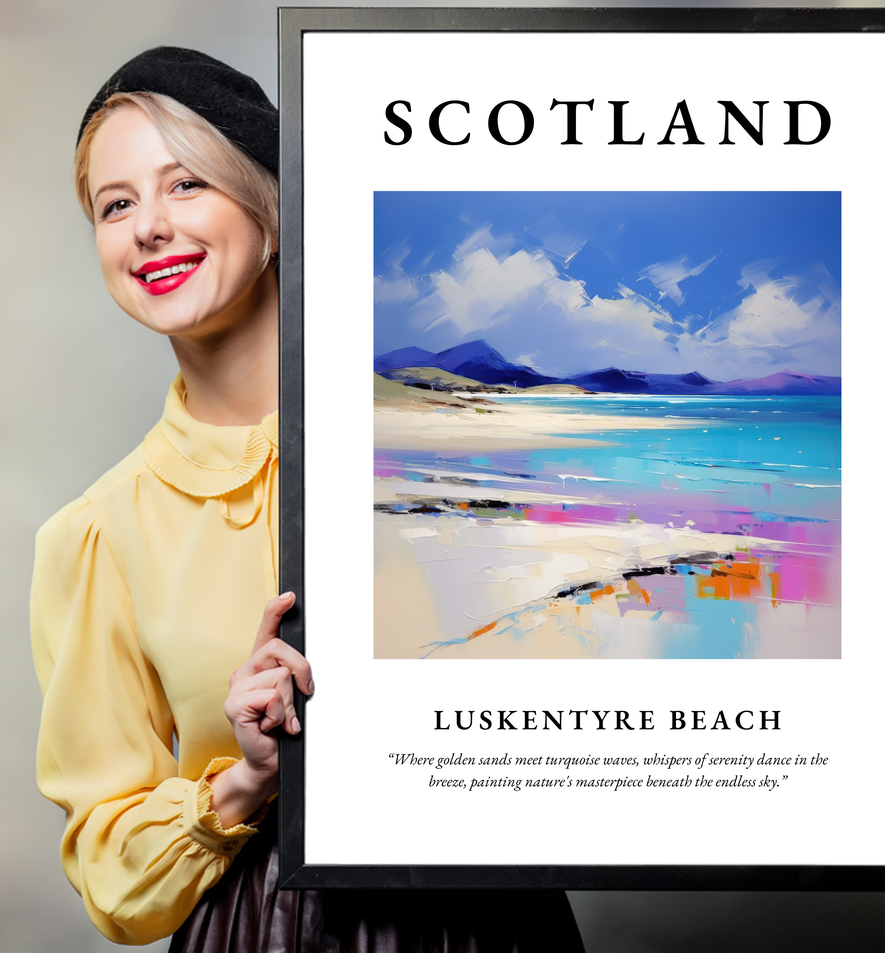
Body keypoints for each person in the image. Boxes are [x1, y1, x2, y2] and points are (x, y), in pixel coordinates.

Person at [30, 47, 586, 951]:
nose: (148, 228)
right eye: (116, 204)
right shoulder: (97, 534)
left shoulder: (456, 446)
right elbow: (110, 869)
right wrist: (245, 779)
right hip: (262, 929)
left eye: (185, 185)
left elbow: (609, 654)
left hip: (492, 920)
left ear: (273, 210)